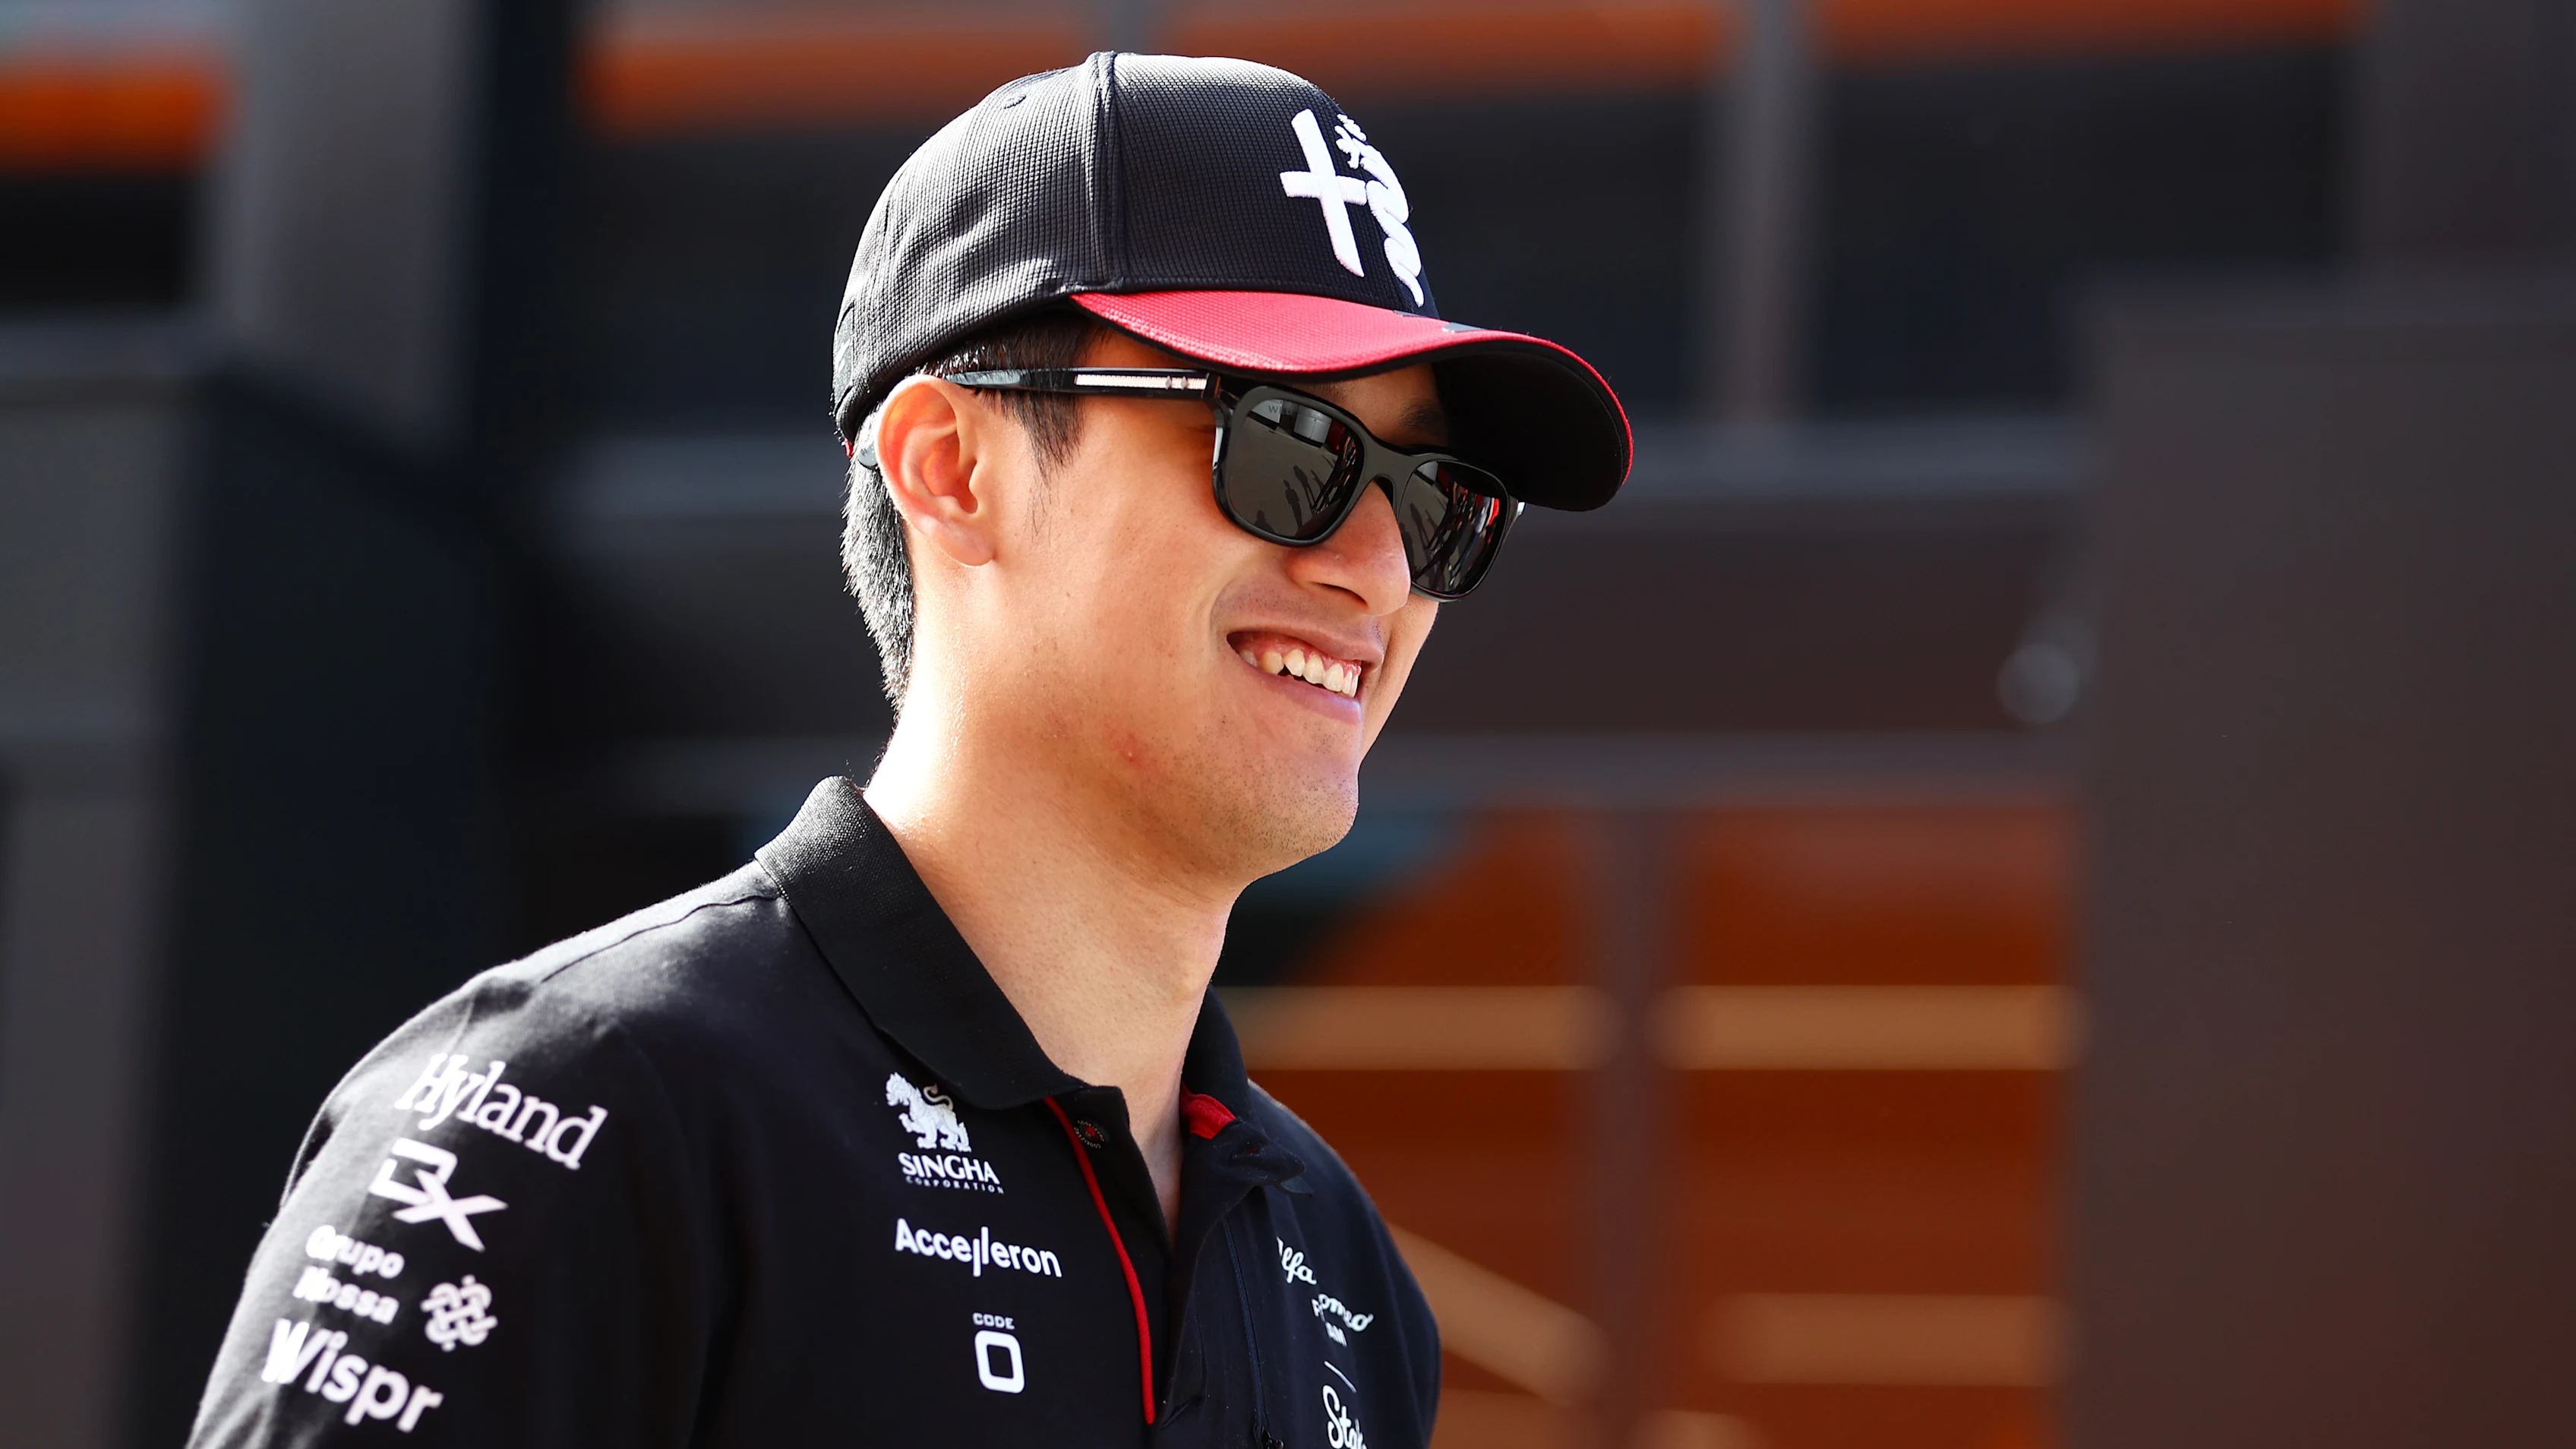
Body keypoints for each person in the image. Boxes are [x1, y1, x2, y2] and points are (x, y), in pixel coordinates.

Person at [185, 52, 1627, 1447]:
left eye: (1438, 495)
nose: (1381, 566)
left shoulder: (1342, 1274)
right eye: (1292, 441)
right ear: (951, 467)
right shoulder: (585, 1112)